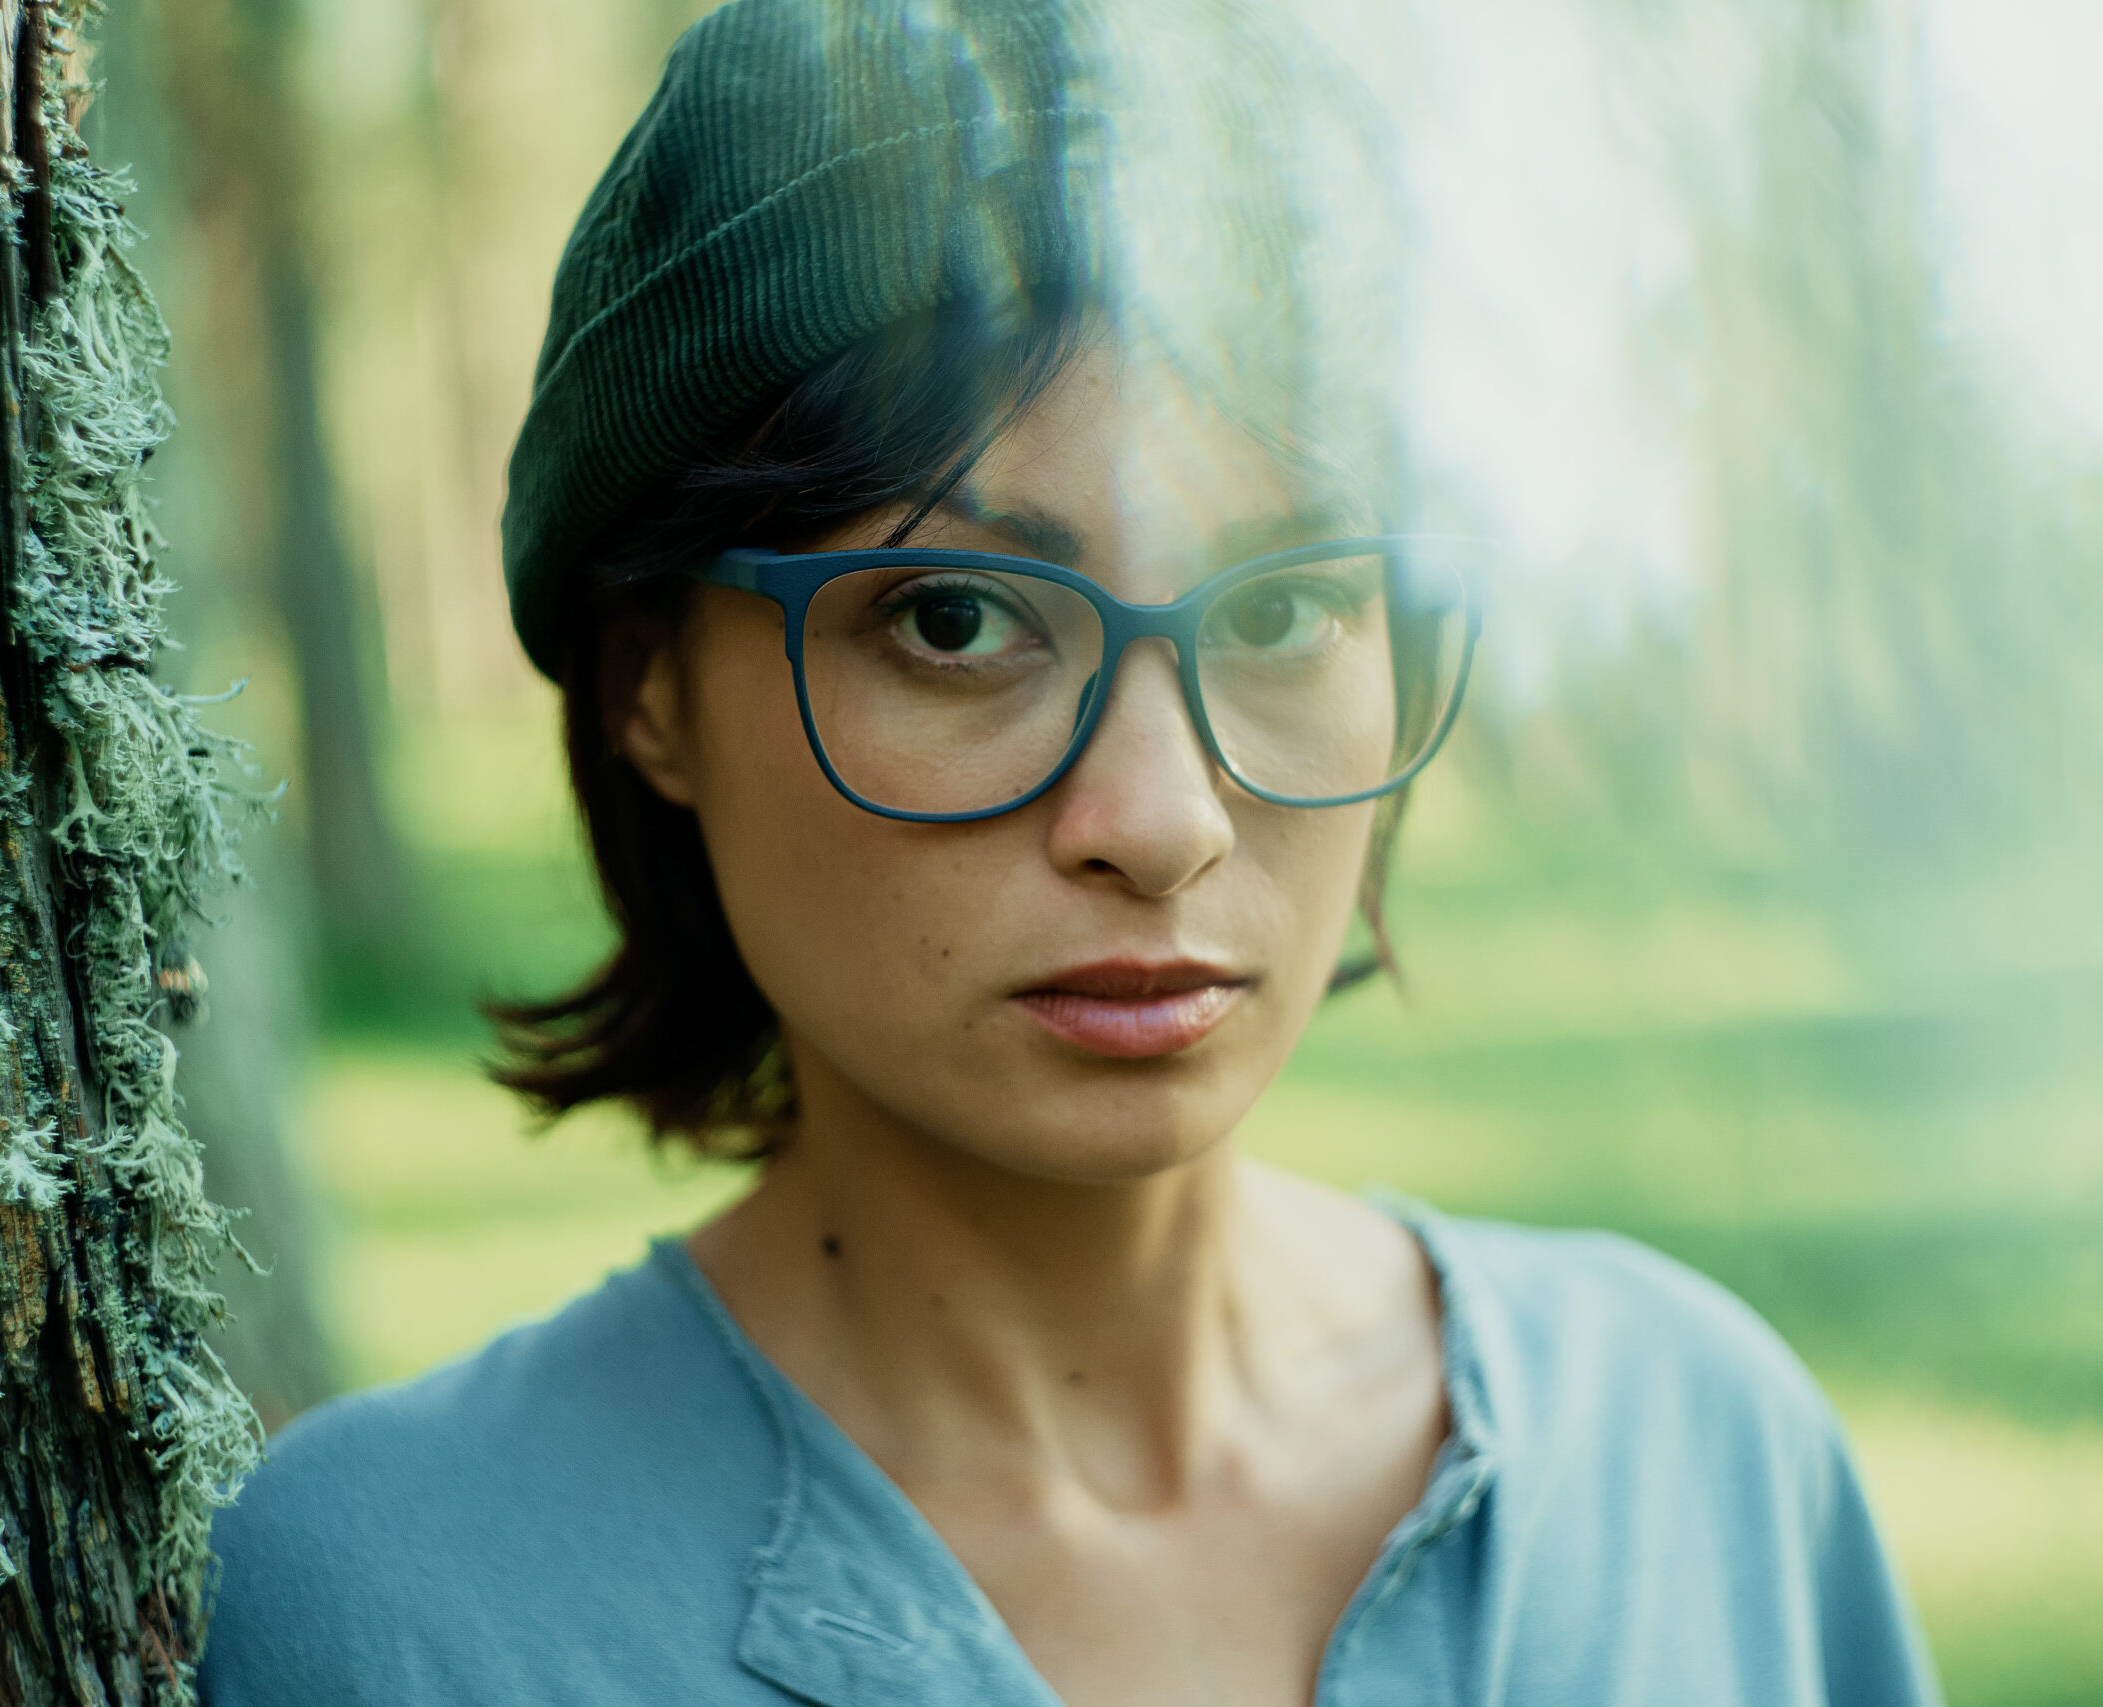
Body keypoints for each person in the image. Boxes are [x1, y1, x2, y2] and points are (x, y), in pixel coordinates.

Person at [197, 2, 1942, 1703]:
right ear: (652, 683)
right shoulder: (394, 1612)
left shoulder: (1691, 1465)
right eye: (954, 620)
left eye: (1287, 605)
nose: (1164, 824)